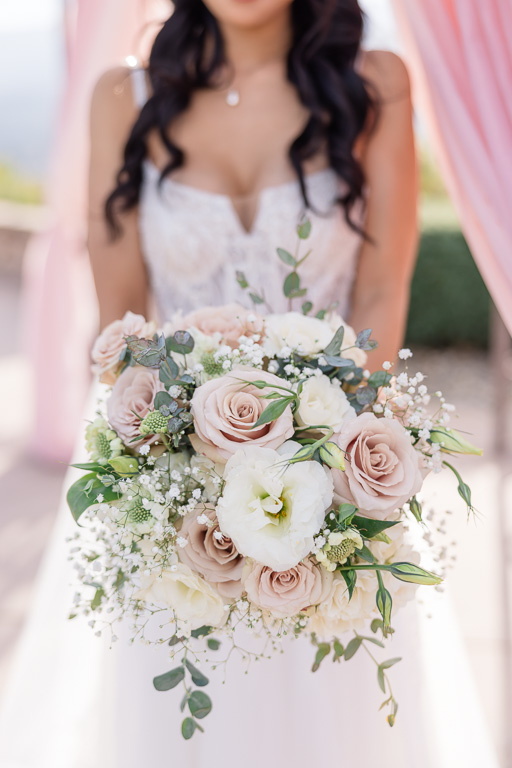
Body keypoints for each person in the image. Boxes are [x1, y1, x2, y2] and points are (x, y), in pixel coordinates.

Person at [0, 2, 500, 766]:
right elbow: (123, 324)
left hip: (335, 484)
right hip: (170, 500)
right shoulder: (120, 99)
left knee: (343, 720)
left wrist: (318, 467)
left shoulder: (375, 86)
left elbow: (377, 300)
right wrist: (190, 470)